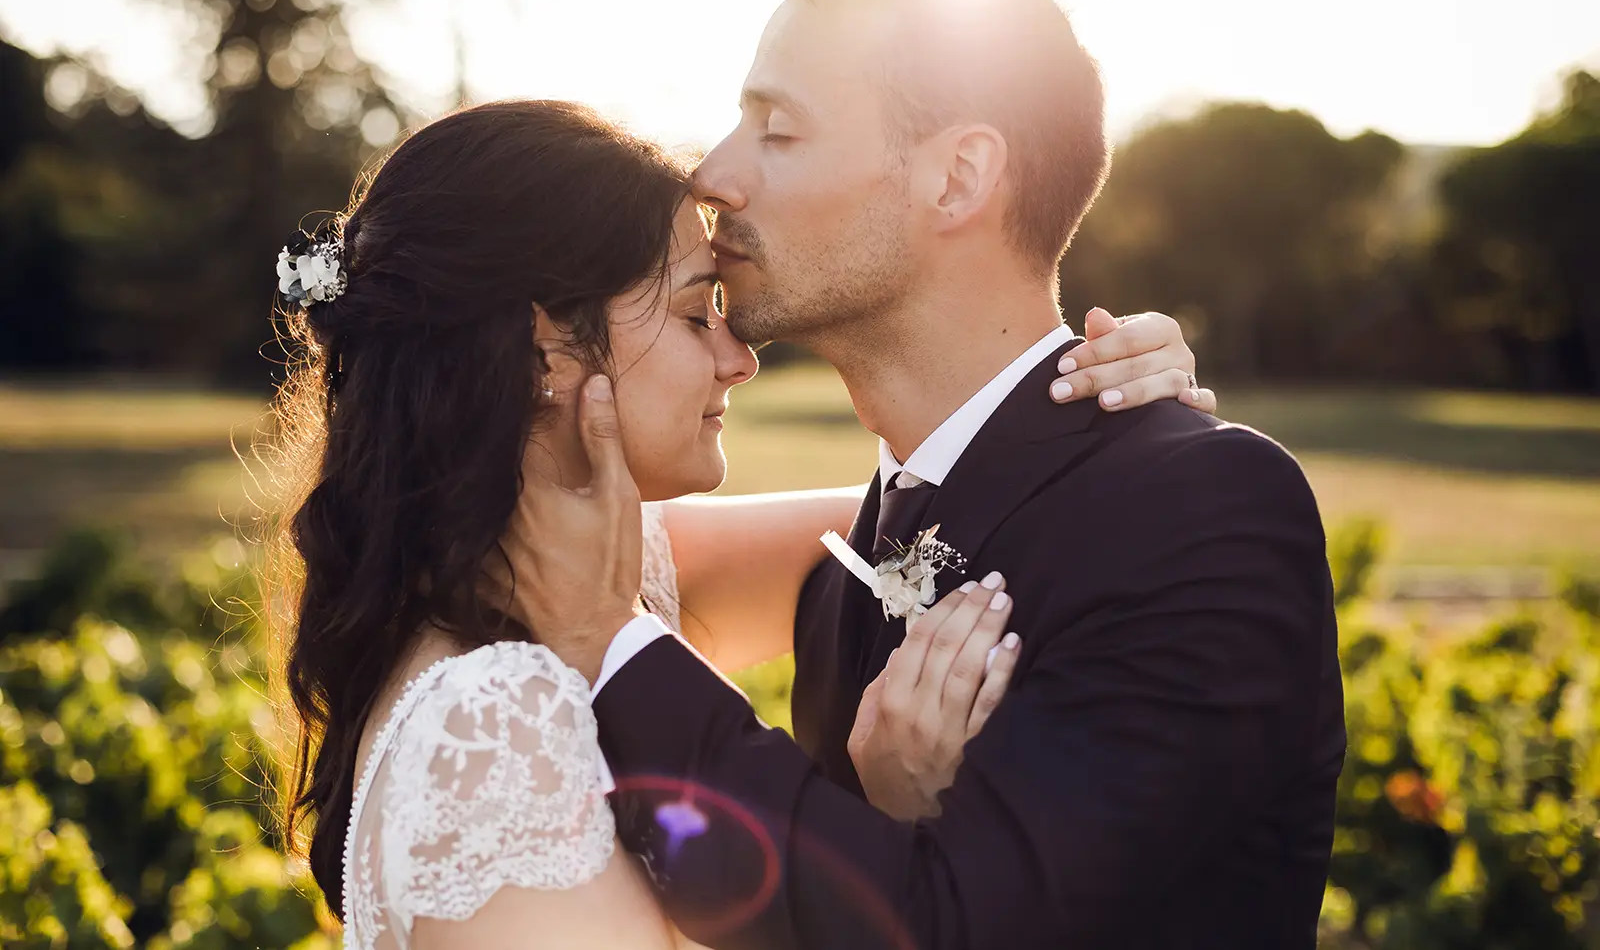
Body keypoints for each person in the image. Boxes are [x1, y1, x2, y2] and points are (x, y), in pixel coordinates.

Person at [509, 0, 1346, 950]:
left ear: (956, 177)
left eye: (777, 128)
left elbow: (951, 921)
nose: (713, 175)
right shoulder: (869, 549)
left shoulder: (1201, 512)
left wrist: (614, 646)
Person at [266, 99, 1209, 948]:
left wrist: (1096, 422)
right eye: (692, 313)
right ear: (544, 351)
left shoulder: (600, 572)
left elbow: (951, 525)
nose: (736, 358)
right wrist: (895, 820)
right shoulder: (494, 732)